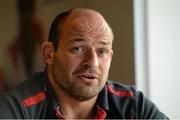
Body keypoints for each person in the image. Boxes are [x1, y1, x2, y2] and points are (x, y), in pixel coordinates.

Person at [0, 8, 168, 119]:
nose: (92, 62)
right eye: (78, 48)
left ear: (110, 57)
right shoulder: (15, 110)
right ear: (49, 53)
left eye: (102, 52)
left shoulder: (133, 106)